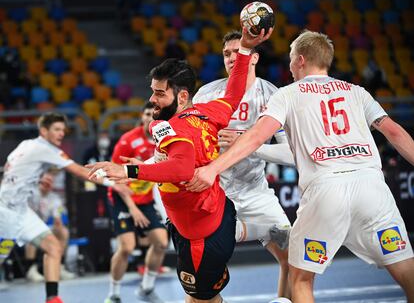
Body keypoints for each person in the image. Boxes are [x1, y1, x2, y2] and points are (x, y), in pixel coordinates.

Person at [185, 30, 414, 303]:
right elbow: (396, 133)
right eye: (227, 53)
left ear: (301, 60)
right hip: (372, 186)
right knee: (406, 270)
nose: (290, 66)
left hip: (320, 189)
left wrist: (214, 166)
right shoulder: (357, 91)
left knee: (301, 278)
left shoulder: (285, 94)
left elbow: (258, 137)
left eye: (292, 59)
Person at [86, 27, 272, 303]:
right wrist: (244, 50)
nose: (152, 100)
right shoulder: (208, 112)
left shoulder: (170, 127)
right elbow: (234, 92)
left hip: (201, 235)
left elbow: (182, 168)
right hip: (211, 215)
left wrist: (128, 170)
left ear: (182, 96)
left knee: (200, 300)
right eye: (153, 92)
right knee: (202, 298)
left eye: (160, 94)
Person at [192, 30, 294, 299]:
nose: (231, 58)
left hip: (256, 193)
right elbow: (190, 144)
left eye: (238, 52)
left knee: (294, 258)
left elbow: (291, 154)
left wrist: (249, 144)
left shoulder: (274, 96)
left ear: (254, 57)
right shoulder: (206, 94)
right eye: (226, 54)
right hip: (217, 194)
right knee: (203, 273)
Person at [0, 112, 131, 303]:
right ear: (44, 131)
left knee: (53, 247)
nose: (61, 133)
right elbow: (79, 171)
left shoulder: (26, 144)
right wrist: (113, 183)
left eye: (63, 130)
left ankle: (52, 299)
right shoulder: (46, 149)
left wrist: (33, 178)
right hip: (6, 212)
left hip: (21, 210)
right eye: (56, 129)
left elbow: (10, 169)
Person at [105, 102, 169, 303]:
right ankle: (113, 294)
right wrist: (132, 208)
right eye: (147, 113)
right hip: (122, 198)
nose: (151, 117)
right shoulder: (128, 141)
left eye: (155, 113)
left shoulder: (163, 140)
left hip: (146, 199)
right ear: (142, 116)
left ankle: (146, 289)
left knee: (161, 242)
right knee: (126, 247)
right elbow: (114, 176)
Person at [26, 170, 75, 282]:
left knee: (63, 232)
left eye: (50, 182)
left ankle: (60, 267)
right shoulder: (31, 194)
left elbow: (57, 217)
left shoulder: (55, 198)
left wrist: (58, 224)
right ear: (39, 182)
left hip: (44, 227)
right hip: (25, 227)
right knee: (32, 233)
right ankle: (31, 269)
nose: (48, 184)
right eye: (45, 182)